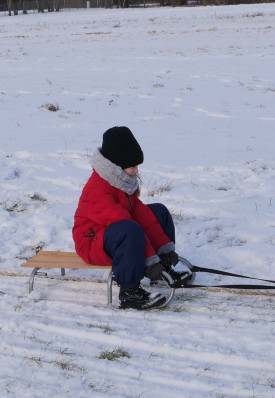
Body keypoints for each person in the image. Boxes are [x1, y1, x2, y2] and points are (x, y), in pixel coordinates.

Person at [73, 126, 190, 309]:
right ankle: (129, 292)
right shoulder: (98, 189)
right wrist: (150, 261)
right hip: (91, 240)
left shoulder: (120, 182)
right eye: (132, 166)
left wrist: (164, 250)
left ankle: (162, 272)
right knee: (130, 229)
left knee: (158, 211)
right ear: (117, 166)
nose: (136, 171)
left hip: (113, 232)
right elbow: (124, 222)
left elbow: (143, 217)